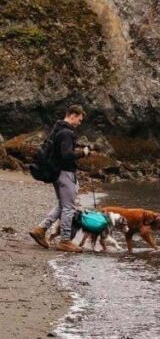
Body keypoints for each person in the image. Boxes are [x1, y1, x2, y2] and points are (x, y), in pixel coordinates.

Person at [30, 105, 91, 252]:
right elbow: (66, 155)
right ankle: (65, 240)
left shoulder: (56, 130)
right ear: (72, 115)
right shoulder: (66, 133)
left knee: (62, 205)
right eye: (79, 120)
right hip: (65, 173)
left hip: (56, 173)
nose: (79, 123)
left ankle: (40, 229)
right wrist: (83, 153)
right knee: (69, 208)